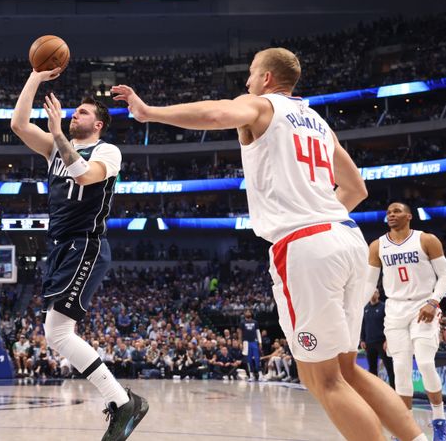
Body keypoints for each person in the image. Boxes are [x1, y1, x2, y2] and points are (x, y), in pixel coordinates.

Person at [112, 47, 427, 441]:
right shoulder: (317, 121)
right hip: (346, 237)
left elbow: (217, 114)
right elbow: (356, 188)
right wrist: (321, 219)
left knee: (323, 380)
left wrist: (149, 112)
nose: (246, 82)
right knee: (348, 370)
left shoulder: (261, 106)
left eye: (250, 73)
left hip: (307, 246)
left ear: (266, 78)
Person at [11, 67, 147, 441]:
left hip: (86, 244)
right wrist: (36, 76)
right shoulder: (55, 148)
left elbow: (85, 176)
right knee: (55, 333)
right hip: (60, 248)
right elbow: (19, 124)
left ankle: (122, 403)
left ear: (99, 124)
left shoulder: (108, 151)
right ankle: (122, 401)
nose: (75, 114)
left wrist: (56, 135)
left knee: (58, 332)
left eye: (84, 112)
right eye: (75, 110)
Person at [368, 202, 446, 440]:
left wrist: (434, 302)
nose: (391, 215)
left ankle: (439, 421)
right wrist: (353, 308)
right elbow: (368, 283)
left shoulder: (426, 239)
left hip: (423, 304)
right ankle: (403, 429)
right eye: (388, 212)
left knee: (425, 363)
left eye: (396, 211)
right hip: (394, 308)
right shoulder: (377, 246)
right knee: (401, 371)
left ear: (409, 216)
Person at [360, 289, 396, 388]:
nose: (372, 294)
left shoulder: (384, 307)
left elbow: (389, 324)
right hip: (369, 343)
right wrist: (362, 339)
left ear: (378, 294)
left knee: (390, 368)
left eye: (375, 292)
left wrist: (387, 340)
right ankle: (374, 391)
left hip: (382, 342)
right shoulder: (365, 308)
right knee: (372, 370)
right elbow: (363, 325)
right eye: (371, 292)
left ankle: (395, 391)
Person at [239, 310, 262, 382]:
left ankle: (260, 374)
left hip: (254, 342)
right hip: (246, 342)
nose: (248, 313)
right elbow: (240, 333)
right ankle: (251, 375)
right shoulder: (242, 322)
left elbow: (258, 332)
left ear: (251, 313)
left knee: (257, 358)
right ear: (244, 314)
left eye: (249, 312)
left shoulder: (255, 322)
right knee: (249, 360)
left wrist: (260, 342)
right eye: (246, 312)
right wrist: (240, 343)